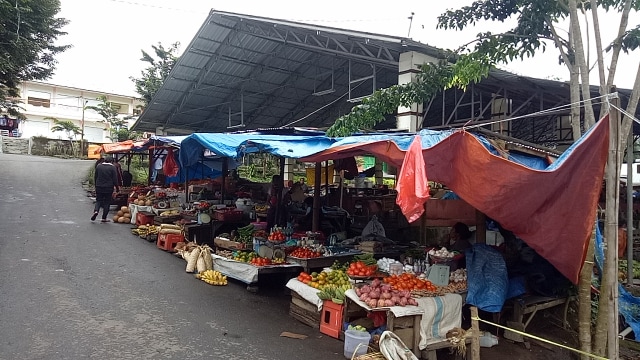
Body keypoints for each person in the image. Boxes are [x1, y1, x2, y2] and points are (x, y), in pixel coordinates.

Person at [92, 155, 120, 222]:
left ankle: (96, 211)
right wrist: (117, 188)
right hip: (108, 187)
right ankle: (104, 218)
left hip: (99, 186)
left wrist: (96, 186)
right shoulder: (112, 168)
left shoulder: (99, 166)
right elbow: (115, 179)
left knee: (98, 200)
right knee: (107, 202)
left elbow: (95, 177)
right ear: (111, 161)